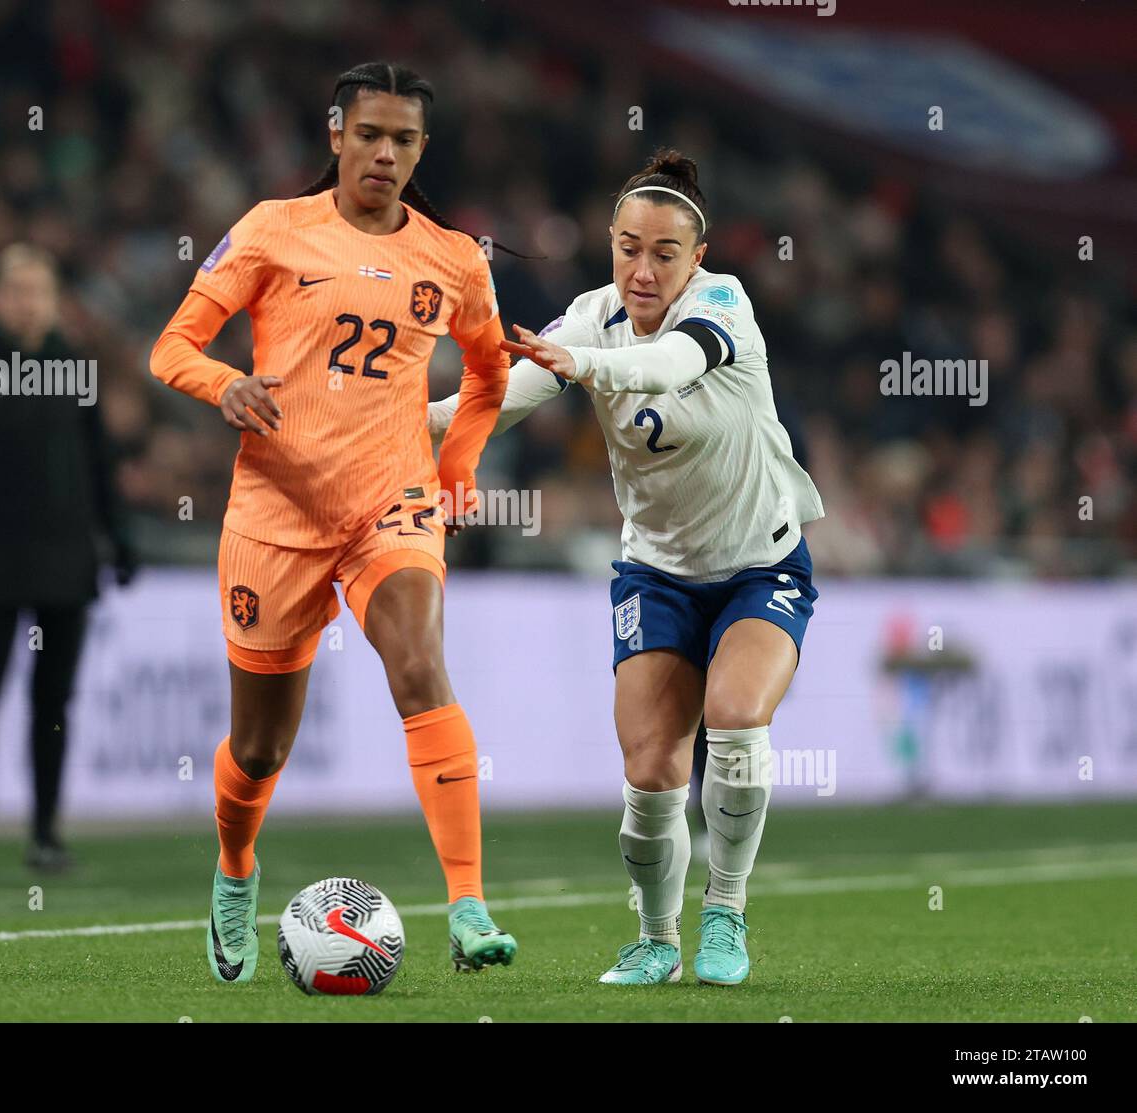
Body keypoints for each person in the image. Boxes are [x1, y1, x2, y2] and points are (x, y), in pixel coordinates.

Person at [150, 62, 517, 985]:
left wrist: (457, 467)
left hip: (390, 506)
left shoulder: (455, 258)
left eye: (404, 140)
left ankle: (468, 904)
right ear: (335, 135)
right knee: (261, 745)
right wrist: (224, 383)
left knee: (421, 667)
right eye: (370, 135)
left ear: (421, 150)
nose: (385, 154)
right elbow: (172, 347)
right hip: (273, 517)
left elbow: (488, 374)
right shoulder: (274, 229)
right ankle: (236, 869)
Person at [430, 149, 824, 986]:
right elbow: (493, 405)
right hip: (658, 572)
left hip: (762, 563)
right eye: (627, 248)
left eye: (664, 253)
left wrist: (588, 366)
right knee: (650, 771)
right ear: (609, 246)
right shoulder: (589, 317)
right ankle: (656, 938)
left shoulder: (724, 306)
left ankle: (725, 911)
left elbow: (675, 363)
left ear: (697, 258)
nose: (643, 270)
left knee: (737, 716)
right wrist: (372, 418)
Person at [0, 243, 136, 874]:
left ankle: (45, 832)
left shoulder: (74, 368)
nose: (28, 301)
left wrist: (117, 537)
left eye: (39, 289)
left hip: (66, 563)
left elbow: (99, 464)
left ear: (54, 297)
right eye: (17, 289)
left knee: (54, 705)